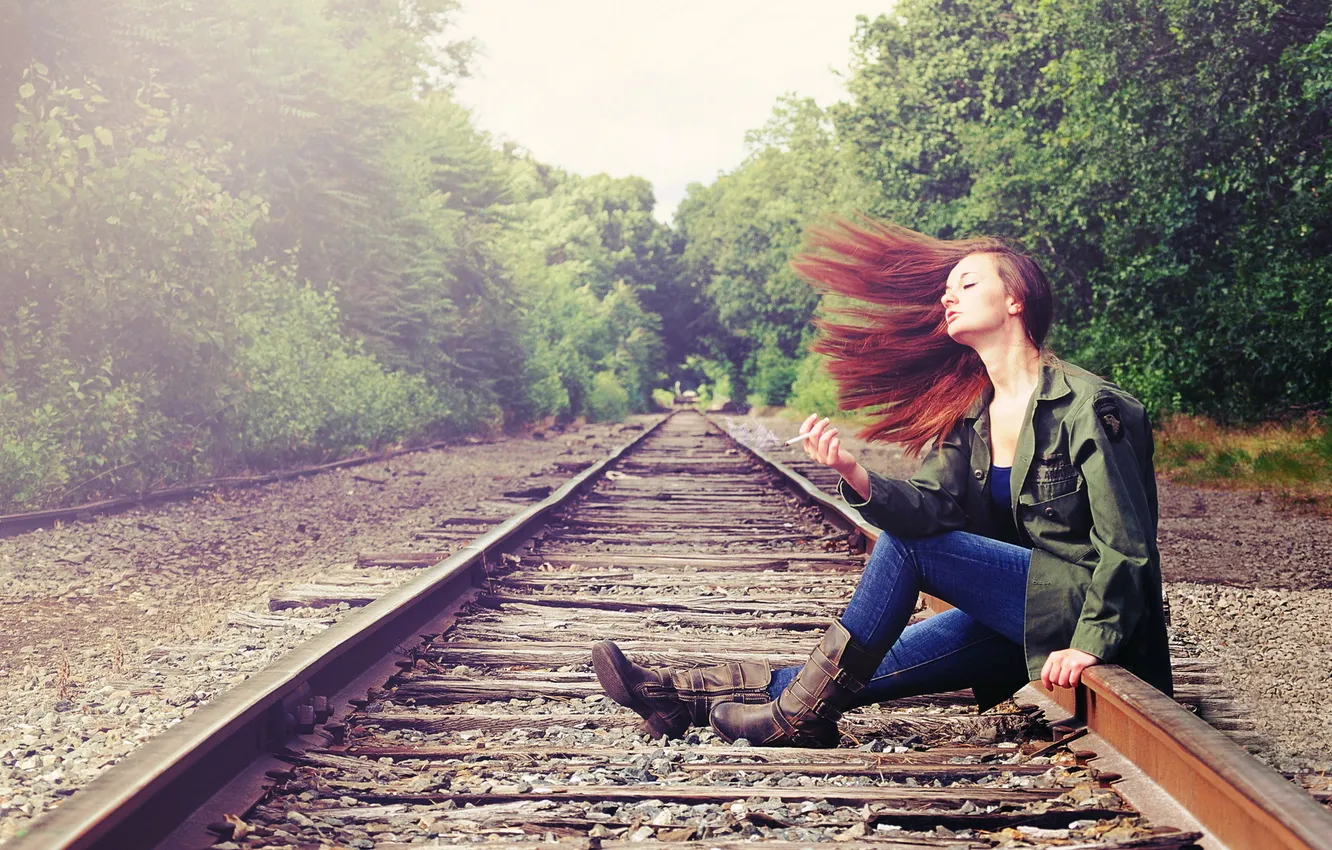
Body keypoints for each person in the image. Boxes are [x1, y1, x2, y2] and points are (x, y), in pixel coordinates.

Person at [591, 218, 1172, 747]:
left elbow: (1130, 546)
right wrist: (855, 474)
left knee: (907, 551)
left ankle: (792, 718)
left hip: (1077, 604)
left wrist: (1091, 641)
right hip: (1023, 610)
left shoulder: (1091, 407)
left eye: (966, 284)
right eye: (949, 287)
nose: (948, 295)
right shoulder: (975, 411)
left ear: (1015, 298)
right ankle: (682, 698)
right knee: (871, 667)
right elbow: (932, 507)